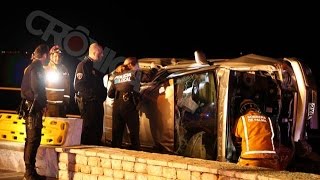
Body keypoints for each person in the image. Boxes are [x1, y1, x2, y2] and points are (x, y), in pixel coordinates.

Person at [107, 57, 158, 150]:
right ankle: (135, 155)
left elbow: (110, 94)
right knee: (134, 135)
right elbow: (149, 77)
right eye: (137, 65)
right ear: (131, 65)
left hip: (117, 108)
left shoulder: (117, 76)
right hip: (129, 107)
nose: (138, 67)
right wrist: (153, 68)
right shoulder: (134, 73)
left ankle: (114, 158)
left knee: (116, 136)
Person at [20, 44, 49, 180]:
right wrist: (43, 105)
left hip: (30, 107)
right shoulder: (37, 68)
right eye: (48, 55)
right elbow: (37, 90)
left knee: (30, 140)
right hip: (34, 109)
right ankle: (29, 173)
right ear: (44, 56)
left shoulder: (30, 67)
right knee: (33, 140)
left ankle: (30, 171)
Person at [232, 99, 281, 170]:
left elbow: (237, 139)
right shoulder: (268, 119)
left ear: (242, 110)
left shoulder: (242, 119)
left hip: (249, 160)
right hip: (271, 160)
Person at [74, 42, 106, 145]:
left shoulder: (96, 66)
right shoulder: (83, 65)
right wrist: (93, 96)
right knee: (89, 130)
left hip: (96, 103)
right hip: (88, 103)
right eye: (100, 53)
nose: (102, 55)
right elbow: (78, 85)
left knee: (97, 129)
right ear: (94, 51)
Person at [44, 45, 70, 117]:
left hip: (61, 104)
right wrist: (42, 102)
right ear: (51, 56)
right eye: (55, 56)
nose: (57, 58)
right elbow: (41, 86)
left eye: (59, 56)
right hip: (49, 104)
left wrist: (66, 101)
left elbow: (67, 86)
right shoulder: (46, 69)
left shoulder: (64, 69)